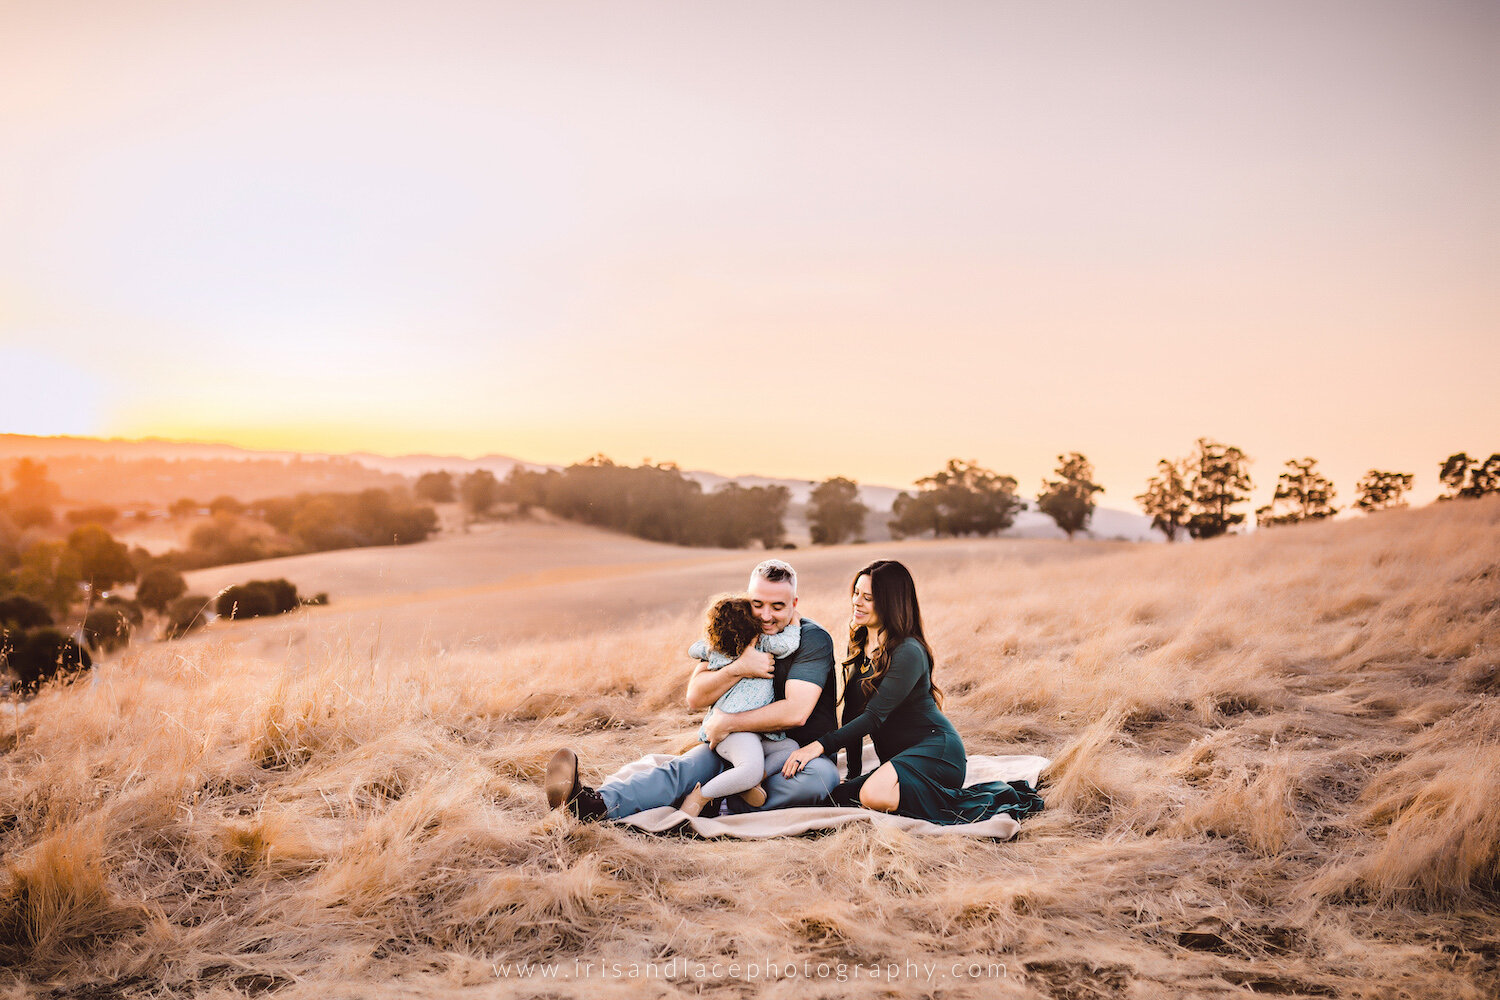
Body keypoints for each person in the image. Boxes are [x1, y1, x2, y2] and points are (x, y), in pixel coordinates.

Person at [545, 559, 840, 820]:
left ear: (795, 603)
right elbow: (696, 696)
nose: (765, 616)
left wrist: (727, 721)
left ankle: (717, 799)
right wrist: (739, 668)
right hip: (738, 742)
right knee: (686, 768)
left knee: (822, 779)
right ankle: (592, 805)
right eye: (758, 603)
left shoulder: (812, 639)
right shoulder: (736, 627)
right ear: (747, 598)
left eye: (778, 607)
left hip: (795, 755)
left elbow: (796, 712)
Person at [779, 559, 1044, 825]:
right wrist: (854, 772)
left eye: (868, 597)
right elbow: (851, 713)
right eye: (856, 593)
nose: (856, 602)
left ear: (891, 604)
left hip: (935, 752)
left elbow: (873, 718)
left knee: (873, 795)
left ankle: (991, 798)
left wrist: (818, 746)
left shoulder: (908, 651)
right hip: (897, 760)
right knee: (835, 797)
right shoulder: (859, 644)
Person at [678, 595, 801, 815]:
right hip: (732, 732)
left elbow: (692, 650)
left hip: (747, 732)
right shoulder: (762, 644)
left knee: (789, 749)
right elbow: (788, 644)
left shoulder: (715, 651)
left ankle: (751, 783)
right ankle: (700, 796)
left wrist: (708, 644)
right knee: (750, 769)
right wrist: (795, 621)